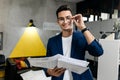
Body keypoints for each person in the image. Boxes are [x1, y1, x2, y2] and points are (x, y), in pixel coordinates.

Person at [44, 5, 103, 80]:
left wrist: (83, 28)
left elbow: (98, 52)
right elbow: (47, 63)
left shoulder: (82, 36)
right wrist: (49, 71)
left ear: (73, 19)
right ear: (58, 22)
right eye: (61, 19)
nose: (65, 22)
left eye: (68, 18)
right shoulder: (52, 41)